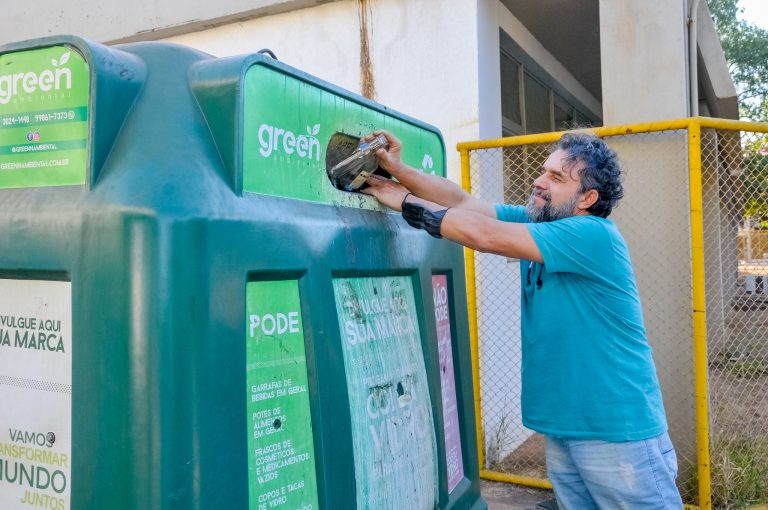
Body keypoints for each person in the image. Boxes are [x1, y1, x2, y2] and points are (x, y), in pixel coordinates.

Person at [361, 130, 683, 509]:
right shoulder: (538, 226)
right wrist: (398, 170)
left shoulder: (593, 234)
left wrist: (402, 200)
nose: (539, 181)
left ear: (588, 198)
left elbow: (483, 234)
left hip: (615, 431)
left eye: (557, 178)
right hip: (564, 426)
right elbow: (460, 201)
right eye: (544, 171)